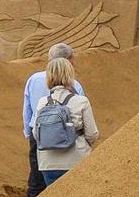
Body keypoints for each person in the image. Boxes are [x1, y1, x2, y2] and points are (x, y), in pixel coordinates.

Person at [22, 42, 82, 197]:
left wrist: (29, 133)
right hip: (66, 135)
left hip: (39, 133)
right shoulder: (75, 85)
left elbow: (27, 110)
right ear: (68, 60)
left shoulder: (33, 79)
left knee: (36, 181)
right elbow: (80, 114)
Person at [29, 57, 99, 189]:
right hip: (76, 161)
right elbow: (92, 134)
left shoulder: (42, 102)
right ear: (69, 74)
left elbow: (36, 133)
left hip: (48, 164)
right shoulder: (81, 101)